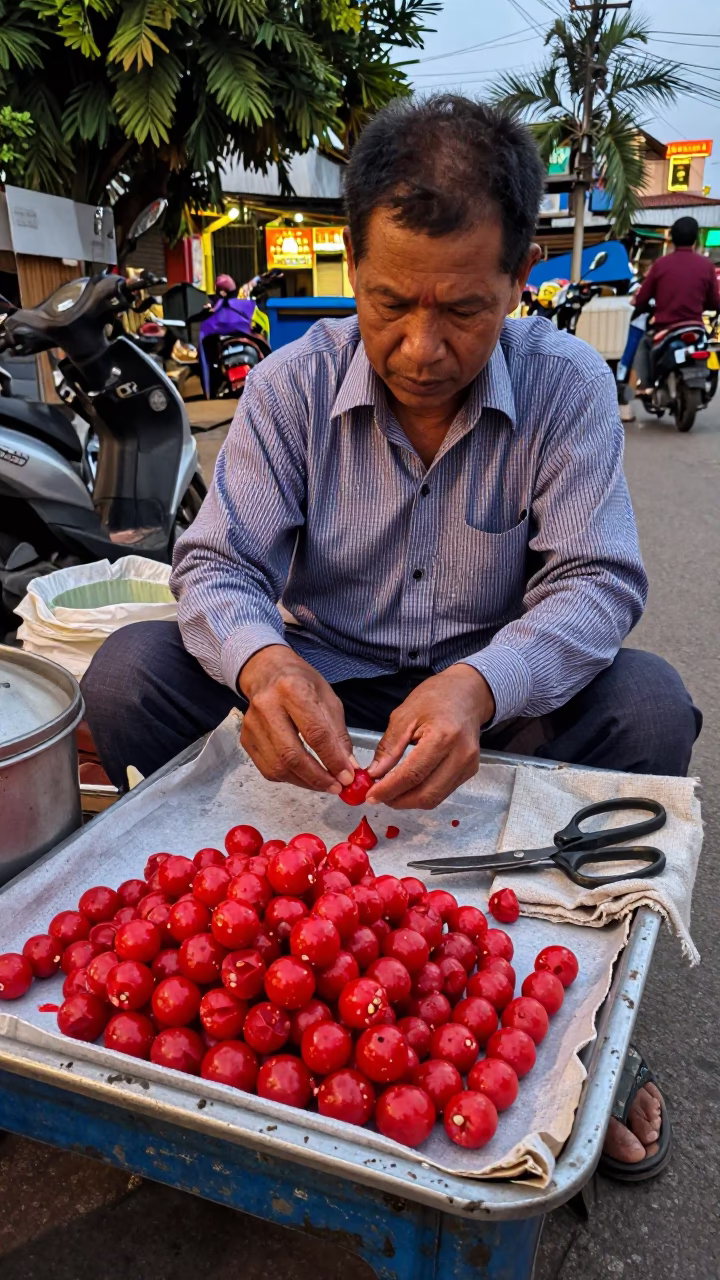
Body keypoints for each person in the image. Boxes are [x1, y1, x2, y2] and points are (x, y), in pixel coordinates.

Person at [82, 96, 701, 1180]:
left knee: (649, 701)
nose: (421, 345)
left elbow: (595, 580)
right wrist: (265, 661)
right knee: (131, 669)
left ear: (517, 284)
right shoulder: (286, 386)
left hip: (501, 703)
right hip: (331, 694)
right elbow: (218, 564)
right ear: (353, 265)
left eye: (463, 309)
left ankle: (597, 1032)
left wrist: (480, 682)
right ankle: (204, 934)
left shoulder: (568, 386)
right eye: (385, 302)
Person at [630, 216, 720, 391]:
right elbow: (714, 301)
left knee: (644, 344)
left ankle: (645, 387)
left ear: (671, 239)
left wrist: (638, 303)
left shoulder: (661, 265)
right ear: (695, 240)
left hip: (666, 328)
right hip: (695, 327)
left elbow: (642, 297)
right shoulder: (706, 265)